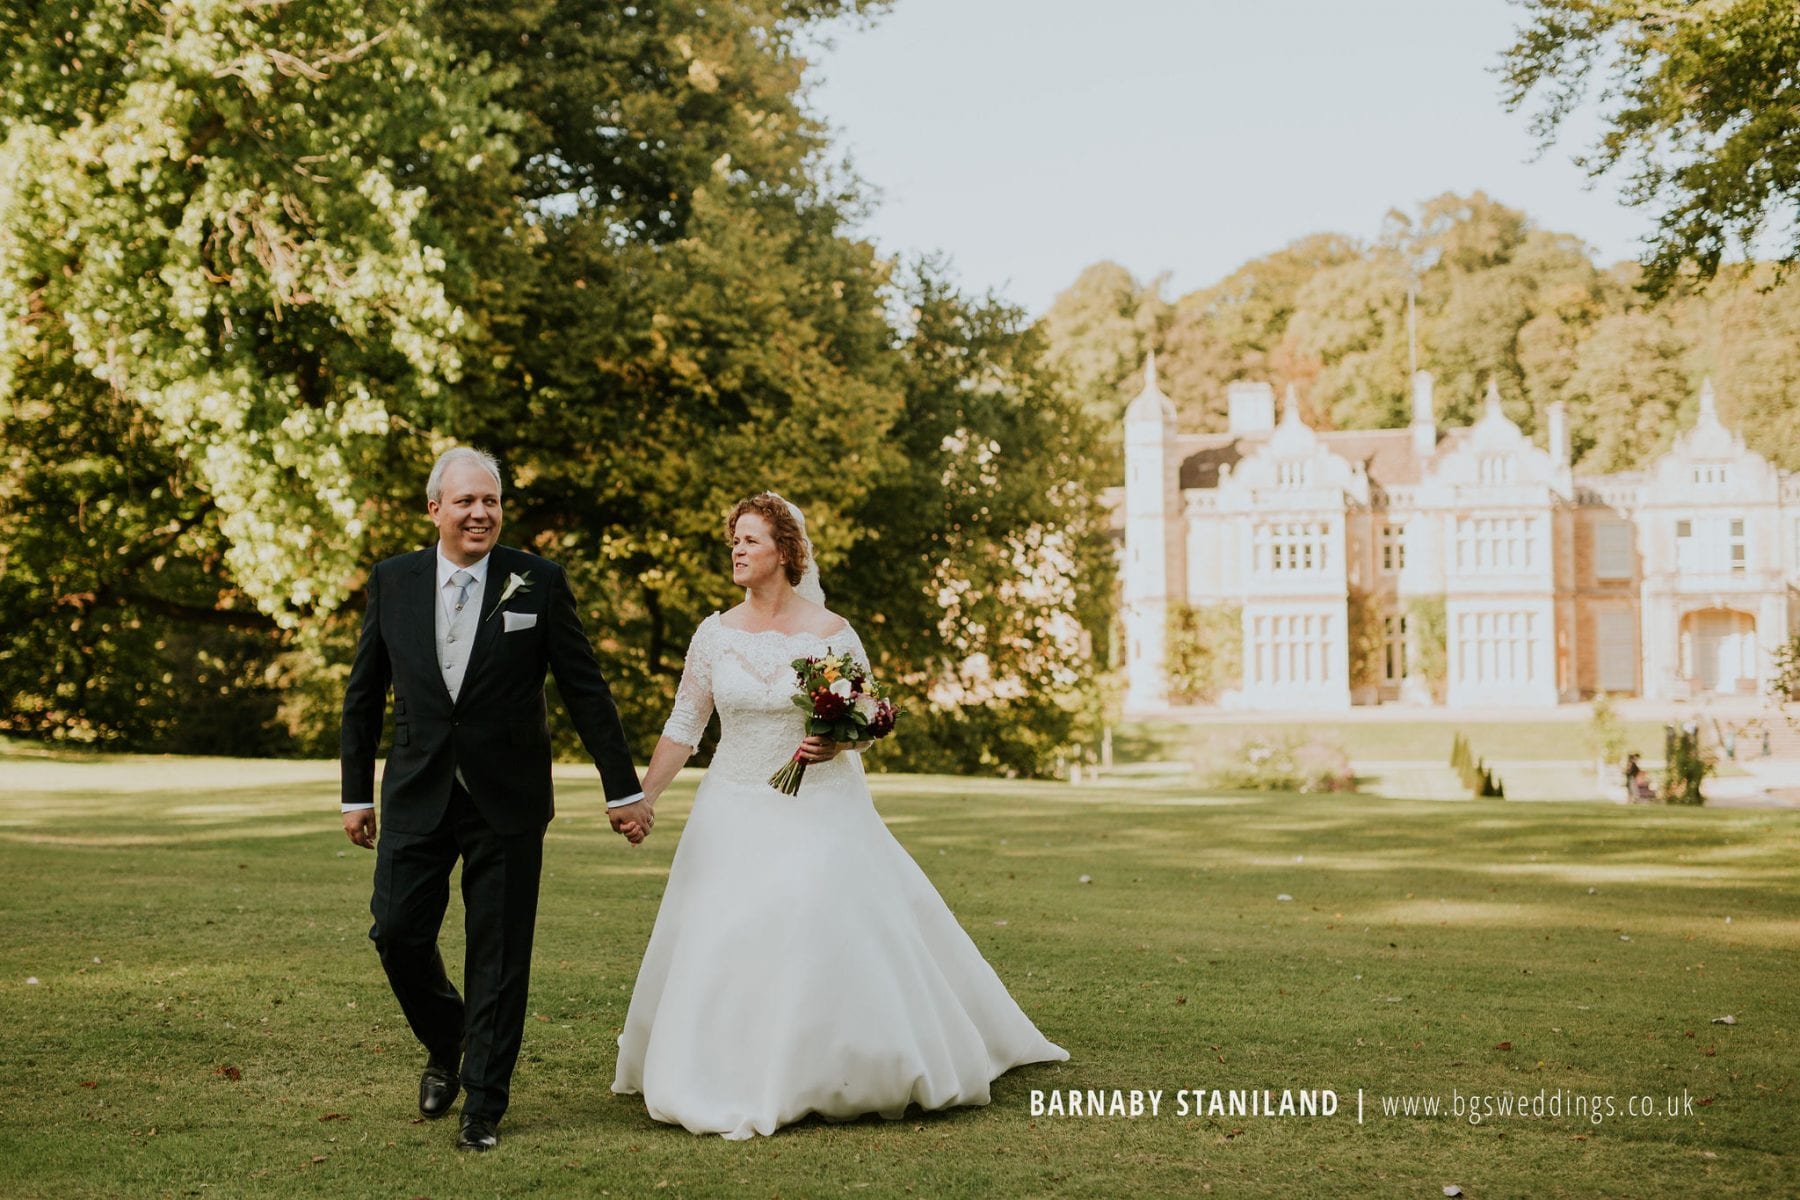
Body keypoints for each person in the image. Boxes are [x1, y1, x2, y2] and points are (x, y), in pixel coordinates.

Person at [611, 492, 1067, 1139]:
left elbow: (867, 718)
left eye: (750, 541)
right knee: (725, 933)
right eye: (734, 541)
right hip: (731, 804)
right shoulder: (714, 635)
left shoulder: (831, 634)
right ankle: (724, 1065)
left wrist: (840, 740)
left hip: (818, 803)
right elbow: (686, 725)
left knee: (809, 917)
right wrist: (646, 796)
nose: (737, 551)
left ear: (786, 553)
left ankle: (834, 1062)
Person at [339, 446, 650, 1152]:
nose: (481, 513)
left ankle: (484, 1101)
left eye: (492, 502)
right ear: (435, 509)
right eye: (467, 502)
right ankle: (448, 1041)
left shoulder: (537, 582)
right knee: (396, 931)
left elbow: (585, 690)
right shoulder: (394, 581)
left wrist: (622, 789)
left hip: (507, 798)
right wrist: (355, 793)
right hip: (417, 790)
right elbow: (362, 696)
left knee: (499, 953)